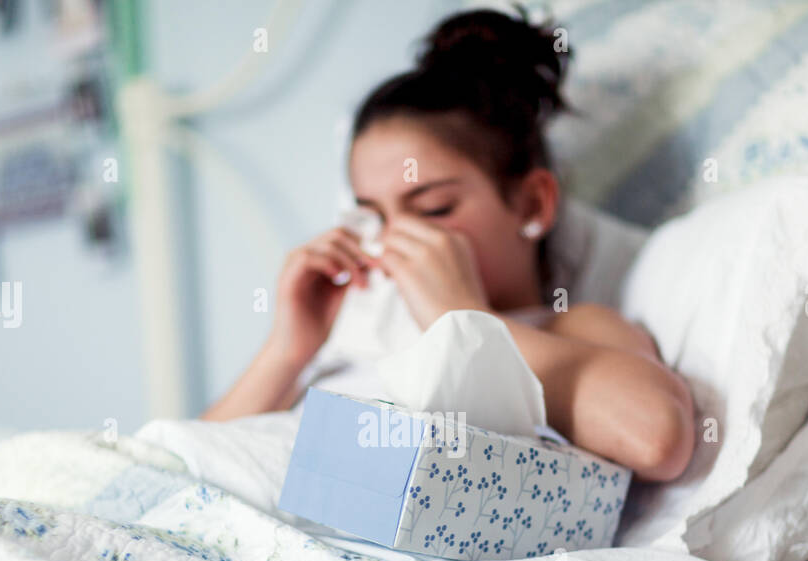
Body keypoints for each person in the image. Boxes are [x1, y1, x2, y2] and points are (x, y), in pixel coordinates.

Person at [202, 8, 694, 483]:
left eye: (434, 208)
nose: (396, 237)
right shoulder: (358, 340)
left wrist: (460, 321)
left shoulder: (574, 328)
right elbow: (175, 464)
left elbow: (656, 440)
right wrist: (289, 351)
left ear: (532, 204)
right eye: (372, 216)